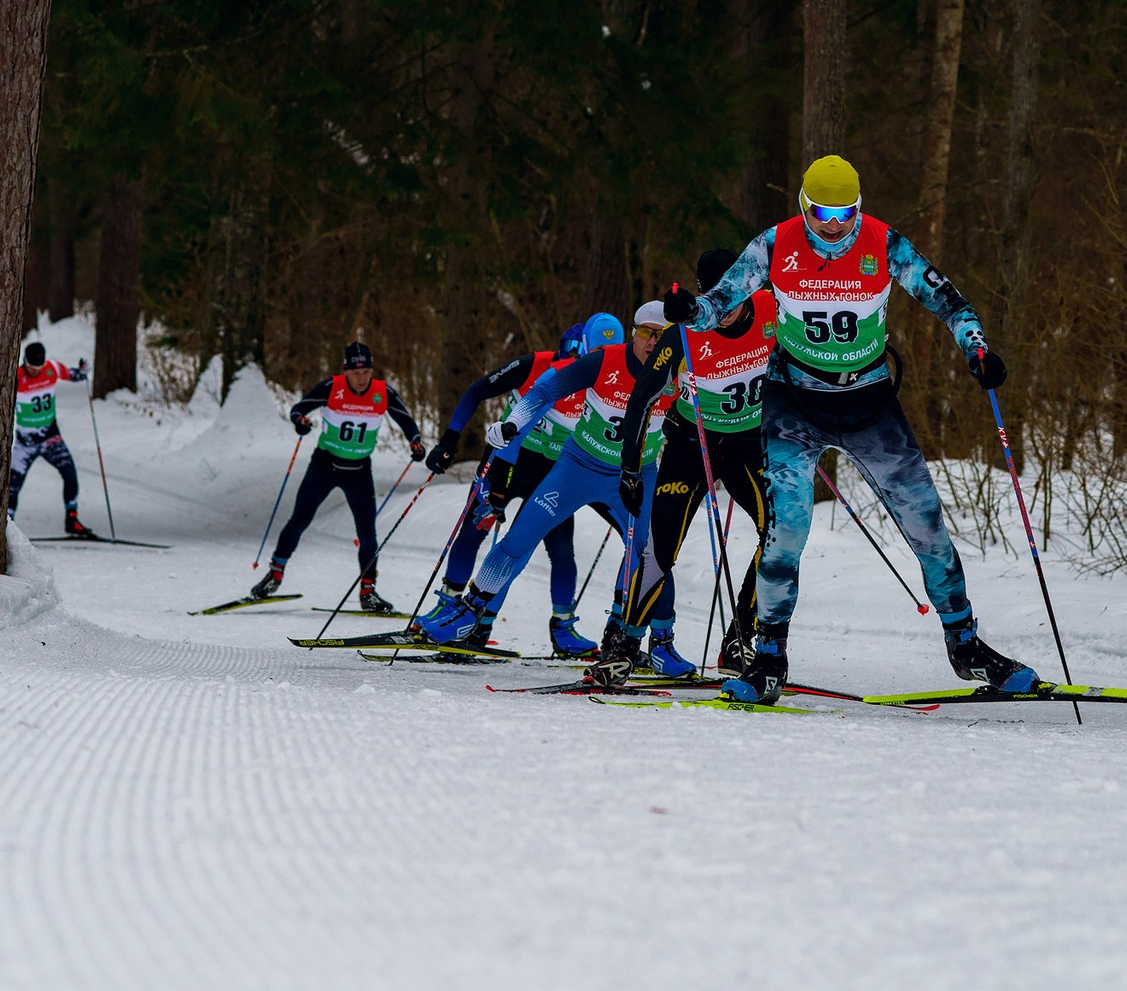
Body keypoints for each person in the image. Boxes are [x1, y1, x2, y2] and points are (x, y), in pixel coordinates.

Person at [643, 155, 1034, 703]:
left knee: (926, 524)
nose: (833, 224)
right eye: (822, 211)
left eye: (844, 211)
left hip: (868, 398)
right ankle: (768, 658)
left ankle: (966, 644)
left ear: (859, 206)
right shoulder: (775, 245)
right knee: (786, 534)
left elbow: (947, 299)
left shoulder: (882, 242)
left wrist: (977, 349)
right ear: (805, 205)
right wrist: (691, 309)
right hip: (793, 400)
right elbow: (719, 305)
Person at [414, 308, 672, 651]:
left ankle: (639, 636)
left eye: (661, 335)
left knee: (651, 552)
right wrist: (501, 437)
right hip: (559, 465)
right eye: (647, 334)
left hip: (628, 475)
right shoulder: (590, 367)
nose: (652, 343)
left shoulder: (676, 373)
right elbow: (536, 397)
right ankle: (467, 612)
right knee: (512, 538)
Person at [621, 248, 776, 678]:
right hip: (693, 445)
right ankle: (626, 643)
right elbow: (641, 398)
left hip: (747, 443)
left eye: (731, 300)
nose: (722, 313)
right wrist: (630, 468)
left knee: (780, 531)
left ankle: (740, 639)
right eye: (713, 301)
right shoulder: (684, 333)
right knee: (662, 546)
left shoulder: (773, 308)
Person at [419, 322, 602, 656]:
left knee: (558, 549)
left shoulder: (600, 381)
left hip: (553, 473)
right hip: (506, 461)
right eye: (564, 362)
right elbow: (476, 390)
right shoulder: (535, 365)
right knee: (475, 529)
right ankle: (448, 605)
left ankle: (559, 627)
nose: (568, 374)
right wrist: (450, 438)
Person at [250, 342, 422, 612]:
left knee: (367, 532)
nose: (361, 378)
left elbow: (408, 423)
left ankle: (368, 592)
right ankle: (275, 575)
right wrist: (301, 422)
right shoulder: (332, 387)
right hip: (324, 467)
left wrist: (415, 442)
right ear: (346, 371)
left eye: (366, 372)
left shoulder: (382, 392)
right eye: (356, 373)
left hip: (359, 471)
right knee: (299, 521)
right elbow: (298, 409)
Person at [11, 341, 94, 534]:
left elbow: (75, 375)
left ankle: (72, 520)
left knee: (70, 474)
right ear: (25, 362)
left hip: (51, 437)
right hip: (25, 442)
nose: (35, 372)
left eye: (38, 368)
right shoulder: (16, 376)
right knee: (12, 486)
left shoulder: (52, 368)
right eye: (31, 368)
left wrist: (84, 370)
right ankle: (8, 527)